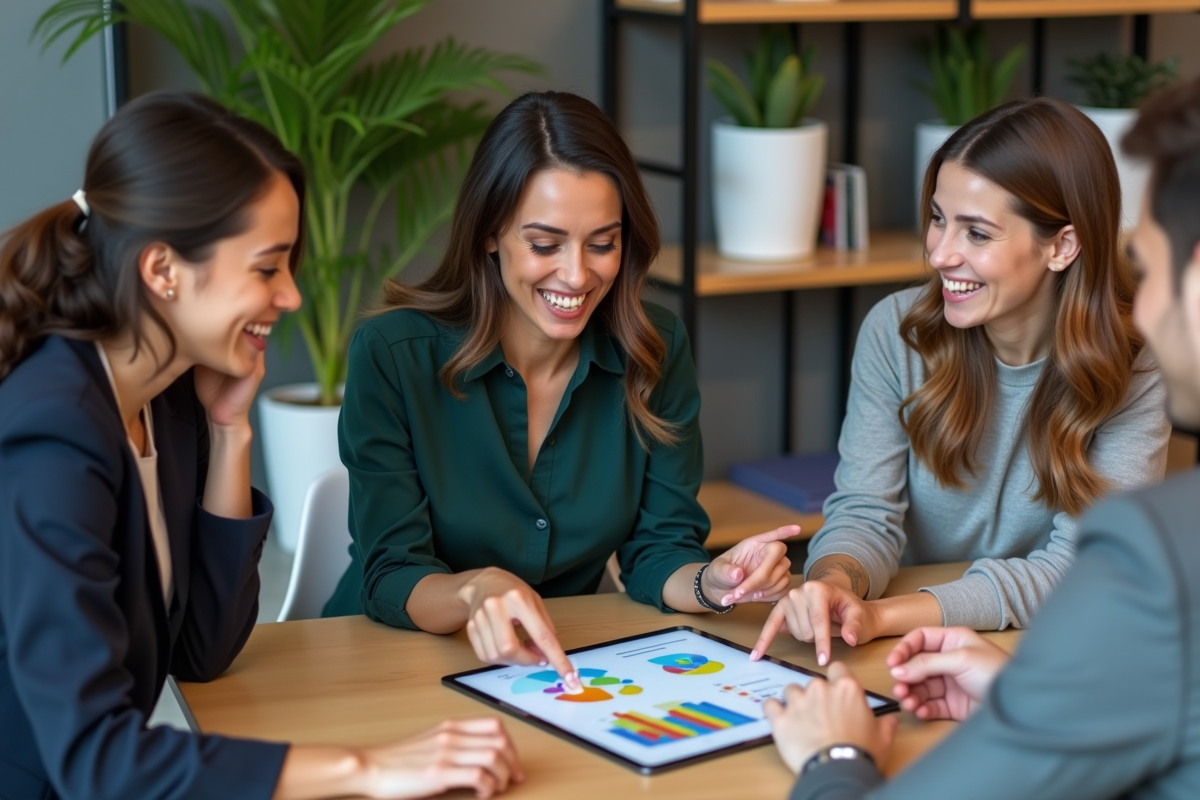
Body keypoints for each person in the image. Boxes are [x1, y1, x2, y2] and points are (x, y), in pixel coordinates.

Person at [0, 91, 521, 800]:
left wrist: (228, 430)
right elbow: (97, 759)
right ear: (162, 271)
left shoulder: (167, 393)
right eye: (267, 266)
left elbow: (202, 651)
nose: (292, 296)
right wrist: (366, 768)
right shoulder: (54, 432)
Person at [764, 76, 1200, 799]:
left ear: (1062, 246)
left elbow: (1075, 568)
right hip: (940, 661)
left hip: (994, 648)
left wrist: (837, 754)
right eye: (937, 220)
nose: (939, 253)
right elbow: (866, 512)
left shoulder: (1135, 404)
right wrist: (837, 581)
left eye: (976, 232)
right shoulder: (896, 331)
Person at [322, 90, 795, 689]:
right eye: (545, 244)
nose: (577, 274)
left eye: (603, 244)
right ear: (491, 234)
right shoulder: (392, 357)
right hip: (388, 664)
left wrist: (715, 581)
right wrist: (477, 591)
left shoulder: (654, 349)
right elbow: (389, 572)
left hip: (561, 668)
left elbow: (658, 550)